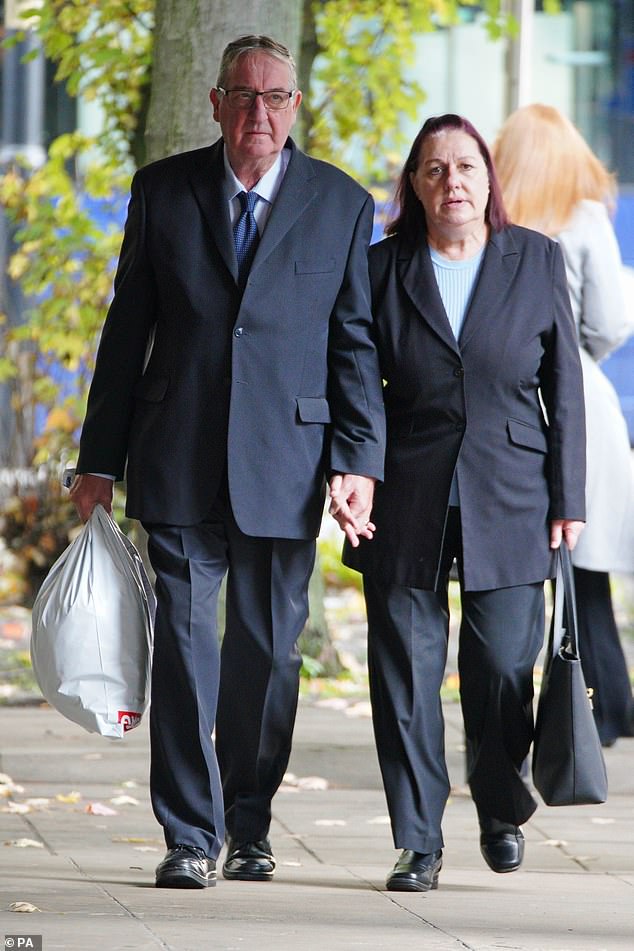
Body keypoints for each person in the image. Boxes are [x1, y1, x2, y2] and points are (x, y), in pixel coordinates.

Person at [69, 34, 385, 889]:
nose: (259, 113)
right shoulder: (162, 192)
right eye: (243, 96)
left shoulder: (342, 204)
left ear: (294, 106)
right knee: (181, 638)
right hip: (176, 453)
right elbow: (125, 331)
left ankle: (248, 821)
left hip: (286, 459)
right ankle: (187, 832)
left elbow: (353, 343)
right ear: (214, 103)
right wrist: (97, 459)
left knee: (269, 653)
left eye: (275, 97)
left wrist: (358, 459)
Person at [340, 114, 586, 892]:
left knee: (503, 666)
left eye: (467, 167)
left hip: (514, 491)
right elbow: (355, 380)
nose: (453, 183)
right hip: (405, 491)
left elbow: (566, 390)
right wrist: (355, 468)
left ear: (490, 179)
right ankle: (418, 839)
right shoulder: (380, 269)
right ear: (413, 185)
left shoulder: (537, 261)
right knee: (405, 674)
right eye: (435, 169)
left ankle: (499, 804)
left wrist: (568, 497)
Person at [492, 104, 634, 748]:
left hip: (507, 404)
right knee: (588, 570)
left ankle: (544, 715)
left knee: (520, 572)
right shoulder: (583, 217)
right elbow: (609, 321)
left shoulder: (491, 222)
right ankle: (602, 711)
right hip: (582, 403)